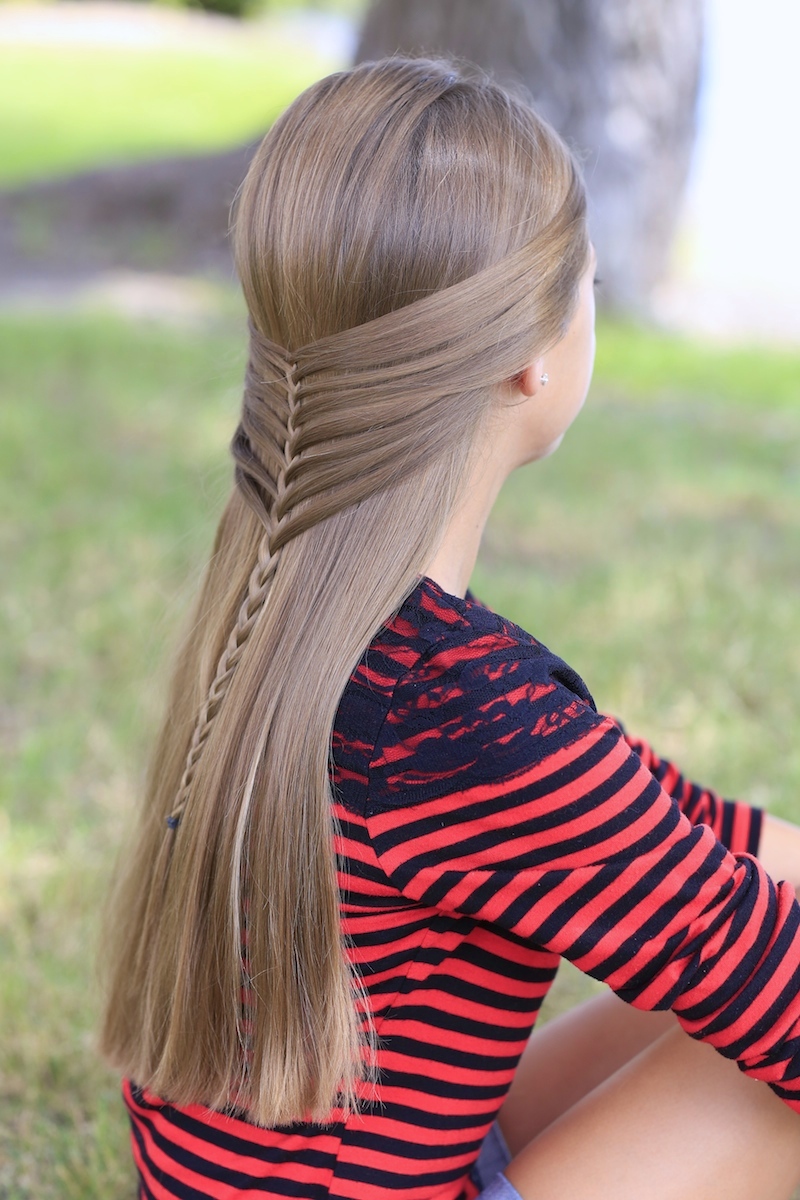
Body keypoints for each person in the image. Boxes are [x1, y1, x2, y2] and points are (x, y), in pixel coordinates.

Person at [99, 56, 800, 1200]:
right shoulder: (455, 709)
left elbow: (669, 839)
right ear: (535, 355)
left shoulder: (282, 582)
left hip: (306, 1166)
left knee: (714, 942)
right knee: (762, 1078)